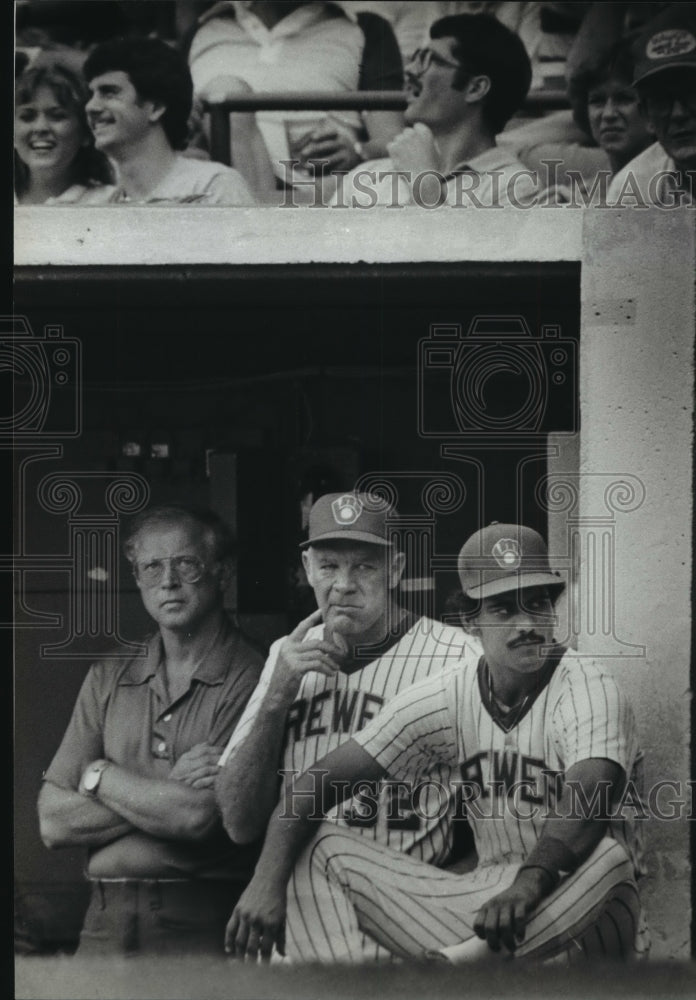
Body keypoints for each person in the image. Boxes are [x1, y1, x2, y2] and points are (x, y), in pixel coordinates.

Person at [226, 522, 649, 965]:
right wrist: (264, 881)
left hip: (582, 915)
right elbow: (317, 783)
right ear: (472, 621)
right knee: (312, 840)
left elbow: (590, 796)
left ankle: (453, 972)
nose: (527, 625)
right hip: (491, 911)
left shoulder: (587, 685)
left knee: (609, 856)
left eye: (538, 605)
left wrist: (529, 882)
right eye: (504, 610)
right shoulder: (452, 690)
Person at [215, 491, 481, 961]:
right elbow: (237, 822)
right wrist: (277, 698)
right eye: (329, 565)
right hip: (297, 925)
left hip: (404, 925)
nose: (343, 584)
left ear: (395, 570)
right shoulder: (286, 655)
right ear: (306, 566)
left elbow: (508, 820)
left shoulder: (458, 656)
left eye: (364, 566)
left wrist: (445, 904)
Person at [38, 504, 265, 955]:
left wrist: (99, 777)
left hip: (200, 921)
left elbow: (197, 817)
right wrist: (168, 786)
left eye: (186, 563)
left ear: (221, 572)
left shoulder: (253, 674)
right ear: (138, 578)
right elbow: (52, 822)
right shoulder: (110, 674)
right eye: (152, 567)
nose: (169, 581)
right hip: (103, 919)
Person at [183, 0, 404, 195]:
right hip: (209, 188)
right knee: (225, 92)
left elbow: (392, 140)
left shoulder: (366, 28)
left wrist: (359, 152)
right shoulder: (204, 28)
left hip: (310, 191)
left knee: (225, 90)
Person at [328, 13, 538, 208]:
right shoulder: (366, 175)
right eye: (418, 57)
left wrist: (425, 184)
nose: (410, 70)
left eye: (430, 60)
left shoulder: (514, 187)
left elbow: (463, 250)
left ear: (475, 88)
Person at [82, 36, 255, 204]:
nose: (91, 107)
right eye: (91, 94)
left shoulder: (213, 186)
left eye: (109, 92)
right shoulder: (102, 203)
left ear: (155, 108)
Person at [608, 3, 696, 205]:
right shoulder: (633, 187)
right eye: (661, 101)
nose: (678, 114)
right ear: (646, 116)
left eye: (692, 94)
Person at [15, 56, 115, 205]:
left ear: (86, 133)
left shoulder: (110, 202)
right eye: (28, 117)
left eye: (57, 116)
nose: (41, 127)